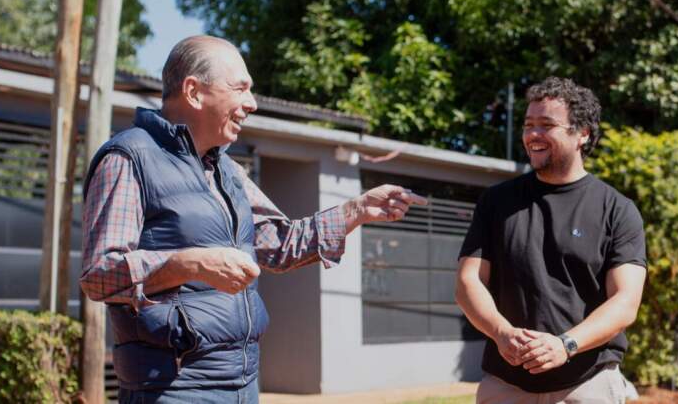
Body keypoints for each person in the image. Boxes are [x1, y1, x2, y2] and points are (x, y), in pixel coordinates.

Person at [79, 35, 427, 404]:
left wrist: (355, 210)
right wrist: (188, 264)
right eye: (240, 88)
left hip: (242, 386)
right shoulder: (129, 158)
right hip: (172, 390)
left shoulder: (227, 171)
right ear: (194, 92)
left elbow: (278, 245)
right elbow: (100, 274)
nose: (252, 103)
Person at [456, 77, 646, 404]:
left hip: (587, 384)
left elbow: (626, 302)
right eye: (528, 125)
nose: (532, 135)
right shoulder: (496, 203)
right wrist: (502, 333)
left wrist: (565, 345)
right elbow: (467, 281)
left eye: (546, 125)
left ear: (582, 133)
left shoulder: (617, 210)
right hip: (506, 384)